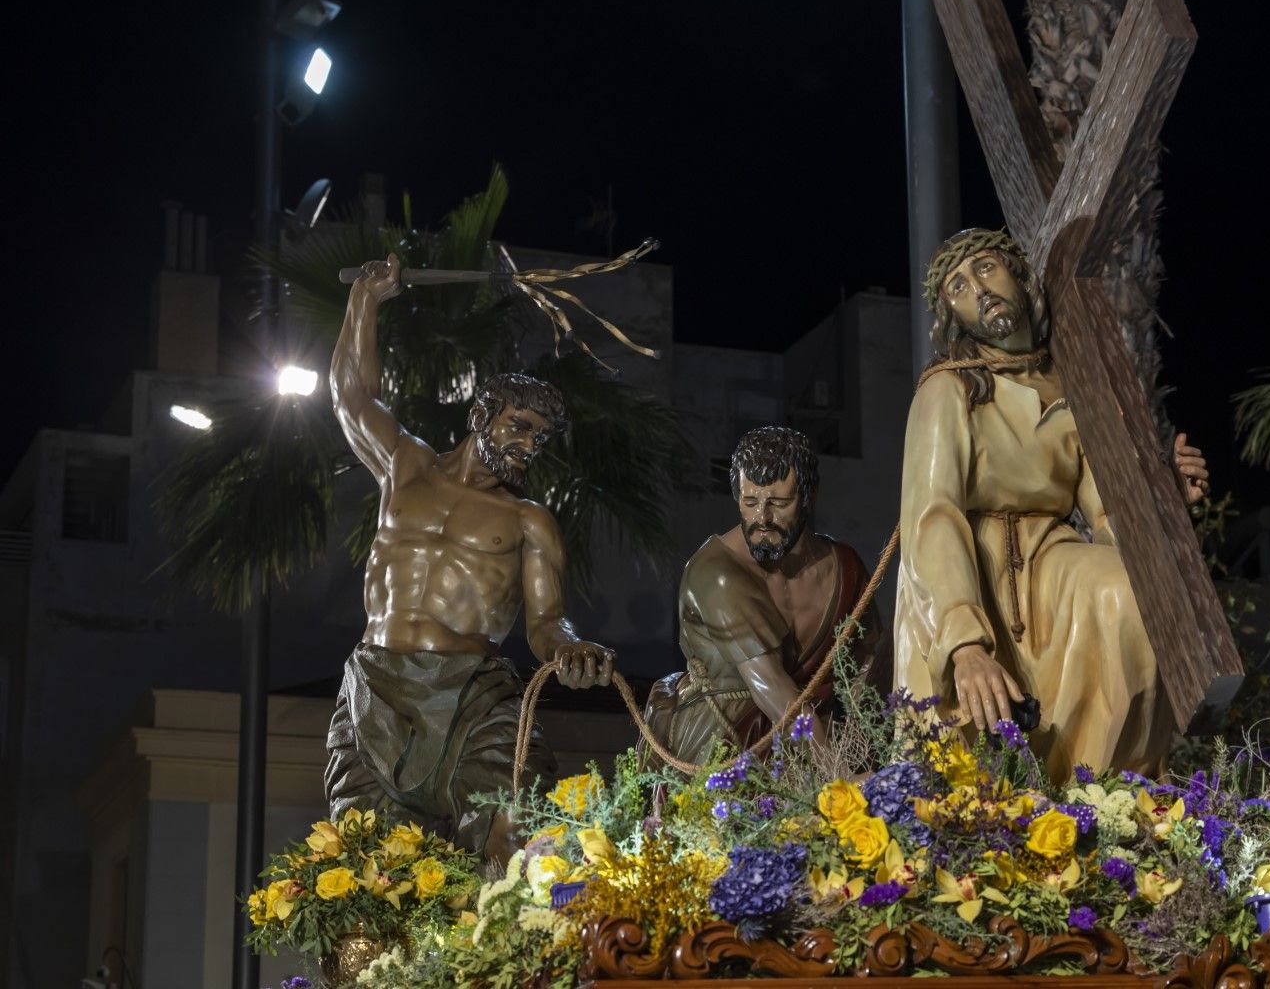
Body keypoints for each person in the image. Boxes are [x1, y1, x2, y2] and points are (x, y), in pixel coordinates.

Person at [325, 254, 615, 855]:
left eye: (540, 437)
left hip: (473, 697)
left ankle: (512, 940)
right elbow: (352, 398)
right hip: (377, 685)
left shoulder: (529, 519)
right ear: (483, 414)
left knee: (511, 832)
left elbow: (544, 621)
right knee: (366, 868)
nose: (530, 445)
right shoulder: (406, 466)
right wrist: (366, 301)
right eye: (521, 427)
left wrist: (568, 649)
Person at [894, 228, 1210, 779]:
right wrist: (964, 644)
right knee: (970, 766)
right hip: (966, 575)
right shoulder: (949, 391)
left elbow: (1109, 515)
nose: (979, 289)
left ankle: (1102, 802)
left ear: (1020, 276)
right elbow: (933, 517)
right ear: (953, 316)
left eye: (987, 269)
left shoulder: (1076, 391)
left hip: (1052, 563)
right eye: (958, 288)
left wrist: (1167, 508)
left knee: (1132, 595)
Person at [643, 427, 890, 763]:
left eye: (779, 503)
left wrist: (872, 745)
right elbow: (771, 685)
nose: (762, 518)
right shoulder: (717, 572)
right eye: (750, 502)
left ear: (808, 496)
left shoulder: (844, 568)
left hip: (824, 735)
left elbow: (868, 666)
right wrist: (837, 775)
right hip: (726, 745)